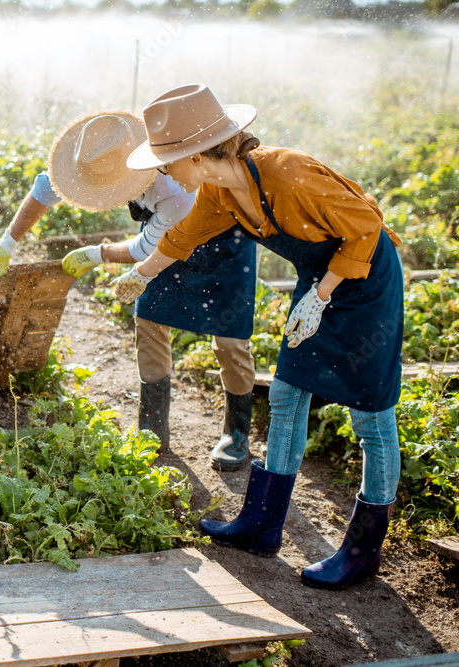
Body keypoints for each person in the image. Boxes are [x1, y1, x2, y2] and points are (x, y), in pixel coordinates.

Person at [117, 84, 404, 589]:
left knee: (371, 418)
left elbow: (367, 225)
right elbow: (181, 238)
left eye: (166, 162)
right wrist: (140, 273)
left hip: (365, 284)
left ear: (196, 156)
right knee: (290, 394)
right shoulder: (220, 192)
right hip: (319, 284)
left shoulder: (287, 173)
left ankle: (361, 553)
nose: (163, 173)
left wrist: (323, 295)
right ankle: (262, 523)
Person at [0, 110, 258, 468]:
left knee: (229, 339)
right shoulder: (105, 150)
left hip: (222, 247)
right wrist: (7, 243)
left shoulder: (177, 188)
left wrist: (95, 254)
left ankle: (236, 433)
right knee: (148, 322)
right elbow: (44, 187)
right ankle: (152, 430)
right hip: (164, 241)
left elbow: (147, 250)